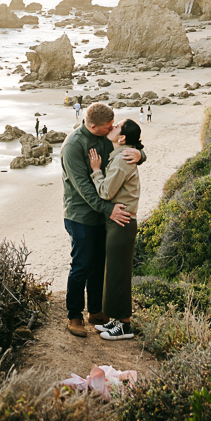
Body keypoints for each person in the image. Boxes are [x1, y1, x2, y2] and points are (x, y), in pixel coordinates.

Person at [60, 102, 146, 338]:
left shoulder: (107, 137)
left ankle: (96, 311)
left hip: (104, 215)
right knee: (81, 265)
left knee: (99, 265)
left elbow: (127, 147)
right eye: (108, 127)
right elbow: (84, 189)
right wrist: (109, 210)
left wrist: (140, 154)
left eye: (114, 126)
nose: (112, 129)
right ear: (93, 126)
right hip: (80, 215)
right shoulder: (73, 146)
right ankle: (74, 315)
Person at [88, 118, 143, 340]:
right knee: (113, 273)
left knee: (119, 274)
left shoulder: (121, 159)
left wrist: (95, 170)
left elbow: (105, 193)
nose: (112, 127)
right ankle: (116, 320)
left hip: (122, 222)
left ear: (122, 138)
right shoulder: (123, 154)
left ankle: (125, 327)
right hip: (119, 222)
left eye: (117, 126)